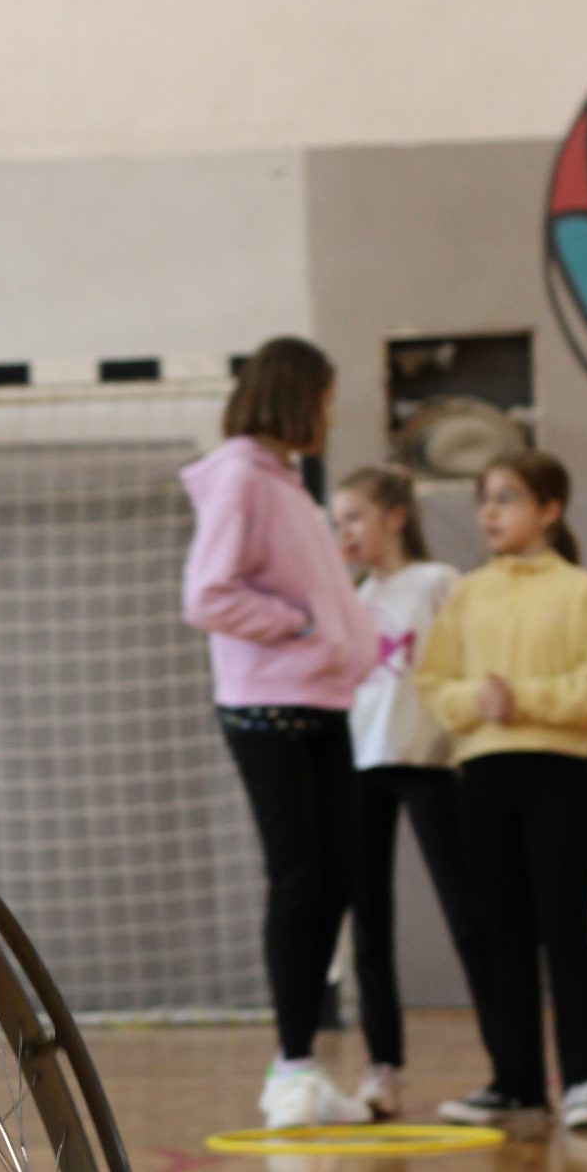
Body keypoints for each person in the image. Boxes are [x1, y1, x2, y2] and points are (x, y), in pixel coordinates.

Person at [181, 338, 376, 1129]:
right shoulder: (239, 476)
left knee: (335, 877)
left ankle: (302, 1063)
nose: (330, 413)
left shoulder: (286, 482)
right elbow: (208, 594)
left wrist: (338, 634)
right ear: (297, 394)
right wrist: (299, 626)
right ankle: (290, 1068)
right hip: (269, 706)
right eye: (325, 397)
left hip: (320, 701)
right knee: (299, 878)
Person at [414, 452, 587, 1132]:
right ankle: (516, 1084)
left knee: (564, 930)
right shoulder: (468, 594)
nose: (490, 511)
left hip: (558, 774)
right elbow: (433, 682)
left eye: (506, 497)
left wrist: (526, 699)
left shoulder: (580, 590)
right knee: (501, 935)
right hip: (482, 776)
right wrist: (474, 701)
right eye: (484, 498)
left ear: (549, 509)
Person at [331, 467, 494, 1119]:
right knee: (369, 922)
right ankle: (384, 1068)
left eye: (354, 517)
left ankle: (507, 1063)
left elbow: (471, 657)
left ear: (395, 516)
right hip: (360, 768)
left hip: (430, 762)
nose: (344, 532)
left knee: (468, 913)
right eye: (337, 521)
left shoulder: (437, 582)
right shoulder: (352, 596)